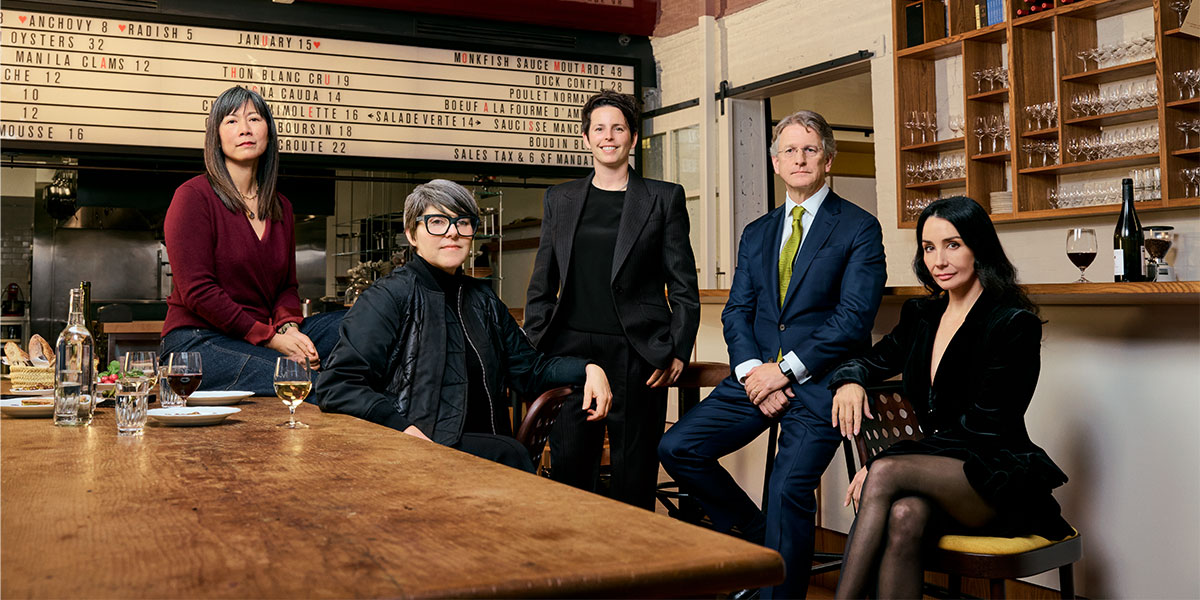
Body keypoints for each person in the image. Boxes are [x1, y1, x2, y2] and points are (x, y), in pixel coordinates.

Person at [657, 110, 886, 599]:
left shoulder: (859, 228)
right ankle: (762, 541)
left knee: (787, 491)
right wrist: (752, 373)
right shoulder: (758, 232)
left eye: (809, 149)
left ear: (828, 158)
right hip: (754, 377)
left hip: (818, 384)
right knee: (677, 448)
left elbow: (853, 319)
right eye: (789, 150)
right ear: (775, 163)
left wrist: (783, 372)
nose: (798, 158)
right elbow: (737, 311)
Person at [828, 196, 1074, 599]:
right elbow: (870, 361)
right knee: (905, 514)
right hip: (942, 475)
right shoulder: (921, 316)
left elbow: (984, 427)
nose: (938, 260)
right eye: (929, 247)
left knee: (885, 472)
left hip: (996, 476)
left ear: (979, 246)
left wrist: (887, 460)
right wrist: (850, 380)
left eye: (953, 244)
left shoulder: (1013, 324)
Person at [314, 179, 613, 472]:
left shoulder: (482, 299)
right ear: (411, 234)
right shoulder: (388, 296)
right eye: (437, 222)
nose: (452, 233)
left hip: (484, 447)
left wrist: (589, 367)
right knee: (509, 455)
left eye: (463, 223)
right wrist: (403, 429)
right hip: (420, 449)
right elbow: (338, 384)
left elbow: (530, 371)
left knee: (507, 453)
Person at [524, 90, 699, 508]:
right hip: (570, 350)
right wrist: (537, 345)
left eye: (618, 128)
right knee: (569, 469)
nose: (609, 136)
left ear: (633, 138)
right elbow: (542, 281)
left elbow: (683, 286)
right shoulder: (559, 199)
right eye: (599, 129)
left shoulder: (663, 197)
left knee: (634, 472)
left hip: (638, 351)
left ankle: (635, 568)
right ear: (586, 138)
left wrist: (676, 348)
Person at [161, 86, 343, 396]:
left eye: (254, 119)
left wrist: (290, 328)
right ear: (215, 137)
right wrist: (272, 340)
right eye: (231, 121)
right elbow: (198, 292)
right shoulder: (193, 197)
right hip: (199, 342)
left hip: (263, 335)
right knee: (304, 383)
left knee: (361, 325)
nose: (245, 129)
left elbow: (286, 287)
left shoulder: (281, 206)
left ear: (269, 132)